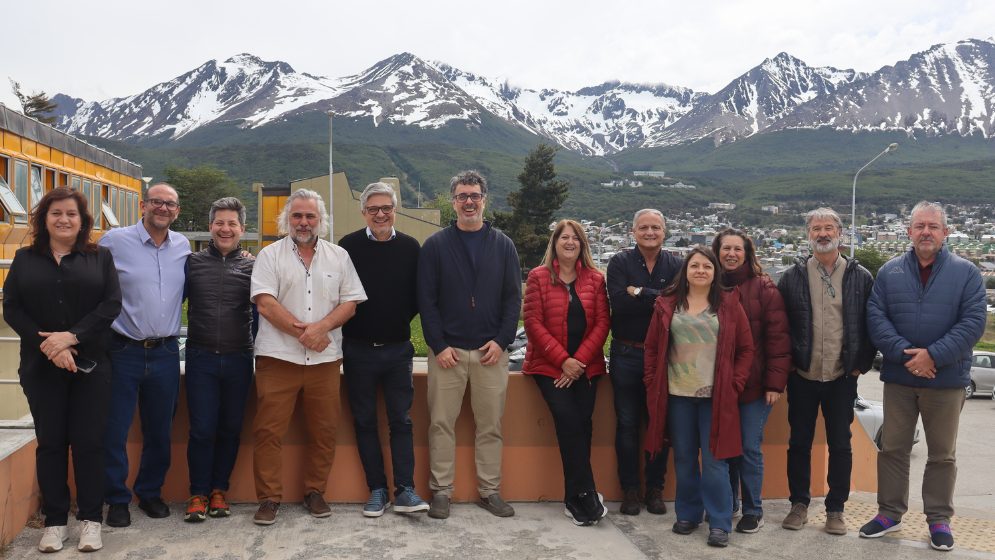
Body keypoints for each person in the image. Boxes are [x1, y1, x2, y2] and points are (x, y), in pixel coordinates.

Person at [860, 201, 986, 551]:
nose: (926, 232)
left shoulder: (967, 273)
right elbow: (876, 318)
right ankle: (889, 513)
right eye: (920, 226)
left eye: (933, 226)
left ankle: (939, 519)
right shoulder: (890, 272)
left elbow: (973, 322)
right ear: (909, 231)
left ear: (946, 232)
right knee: (892, 449)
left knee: (942, 454)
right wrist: (908, 355)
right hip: (900, 379)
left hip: (945, 380)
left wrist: (933, 356)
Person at [4, 187, 121, 552]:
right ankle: (55, 522)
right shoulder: (24, 259)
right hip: (40, 368)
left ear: (82, 220)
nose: (64, 219)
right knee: (51, 444)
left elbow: (111, 304)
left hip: (92, 367)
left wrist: (71, 337)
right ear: (44, 219)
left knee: (89, 444)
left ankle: (90, 520)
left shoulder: (100, 258)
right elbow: (12, 308)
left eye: (71, 213)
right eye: (56, 213)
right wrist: (50, 346)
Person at [249, 189, 367, 525]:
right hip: (277, 358)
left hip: (324, 361)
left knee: (324, 430)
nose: (303, 222)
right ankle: (269, 498)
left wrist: (322, 329)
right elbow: (265, 303)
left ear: (320, 220)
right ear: (287, 218)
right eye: (297, 215)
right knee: (268, 432)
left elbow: (350, 303)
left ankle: (315, 491)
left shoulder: (339, 256)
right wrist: (306, 333)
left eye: (310, 216)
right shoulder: (269, 255)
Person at [417, 170, 521, 519]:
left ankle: (489, 491)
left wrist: (502, 341)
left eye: (474, 195)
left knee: (490, 426)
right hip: (447, 353)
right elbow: (426, 300)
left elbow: (513, 300)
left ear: (484, 200)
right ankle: (441, 491)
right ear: (454, 202)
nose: (469, 202)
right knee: (440, 424)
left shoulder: (503, 245)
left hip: (491, 352)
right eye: (462, 196)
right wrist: (438, 344)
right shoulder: (435, 246)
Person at [643, 246, 753, 548]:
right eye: (694, 266)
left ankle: (719, 522)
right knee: (684, 458)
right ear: (686, 271)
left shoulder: (729, 304)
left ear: (715, 272)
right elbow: (652, 348)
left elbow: (746, 349)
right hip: (677, 394)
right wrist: (652, 381)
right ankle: (688, 514)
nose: (700, 271)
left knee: (716, 462)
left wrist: (734, 384)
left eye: (707, 266)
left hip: (715, 397)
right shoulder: (667, 304)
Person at [776, 207, 875, 535]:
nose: (822, 233)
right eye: (816, 228)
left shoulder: (860, 277)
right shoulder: (792, 277)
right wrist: (789, 363)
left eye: (828, 228)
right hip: (802, 375)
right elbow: (780, 325)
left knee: (841, 445)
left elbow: (871, 324)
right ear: (808, 235)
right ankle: (798, 504)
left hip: (841, 376)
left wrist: (860, 365)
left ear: (840, 233)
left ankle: (835, 509)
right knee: (799, 443)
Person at [99, 183, 190, 527]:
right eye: (157, 202)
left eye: (170, 204)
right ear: (143, 205)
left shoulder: (182, 246)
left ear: (177, 211)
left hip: (166, 351)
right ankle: (117, 499)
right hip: (123, 349)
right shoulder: (114, 241)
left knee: (159, 430)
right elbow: (91, 283)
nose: (163, 208)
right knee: (115, 430)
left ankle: (150, 493)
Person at [339, 182, 429, 517]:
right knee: (364, 421)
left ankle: (405, 490)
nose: (380, 214)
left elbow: (418, 297)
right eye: (373, 209)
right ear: (364, 212)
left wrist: (396, 320)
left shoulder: (410, 247)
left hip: (397, 350)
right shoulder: (347, 246)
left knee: (401, 421)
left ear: (395, 211)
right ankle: (377, 490)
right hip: (357, 349)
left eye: (386, 208)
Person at [522, 219, 611, 526]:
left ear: (582, 244)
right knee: (569, 421)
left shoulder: (596, 279)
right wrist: (563, 362)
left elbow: (603, 323)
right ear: (555, 243)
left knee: (583, 425)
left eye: (576, 238)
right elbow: (532, 323)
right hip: (549, 367)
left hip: (586, 368)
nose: (570, 242)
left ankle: (574, 498)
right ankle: (587, 492)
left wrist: (578, 363)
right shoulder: (538, 276)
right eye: (564, 238)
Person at [711, 229, 790, 533]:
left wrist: (774, 384)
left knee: (748, 447)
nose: (731, 254)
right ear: (717, 252)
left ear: (747, 254)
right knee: (725, 447)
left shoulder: (764, 287)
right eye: (726, 248)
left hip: (755, 386)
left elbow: (778, 339)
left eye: (737, 249)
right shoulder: (707, 285)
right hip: (718, 384)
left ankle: (753, 509)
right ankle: (729, 502)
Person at [182, 197, 255, 522]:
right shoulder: (192, 263)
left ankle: (219, 491)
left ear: (242, 229)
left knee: (230, 429)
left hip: (240, 357)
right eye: (220, 223)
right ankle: (197, 493)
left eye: (232, 224)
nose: (226, 229)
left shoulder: (253, 266)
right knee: (201, 429)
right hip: (201, 357)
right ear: (210, 226)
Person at [605, 209, 681, 515]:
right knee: (627, 425)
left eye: (656, 227)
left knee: (659, 424)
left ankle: (655, 489)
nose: (650, 232)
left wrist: (640, 292)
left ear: (665, 232)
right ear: (633, 232)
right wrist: (657, 297)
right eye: (644, 227)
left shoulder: (676, 264)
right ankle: (630, 490)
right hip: (626, 353)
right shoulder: (619, 262)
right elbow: (620, 304)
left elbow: (676, 306)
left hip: (664, 356)